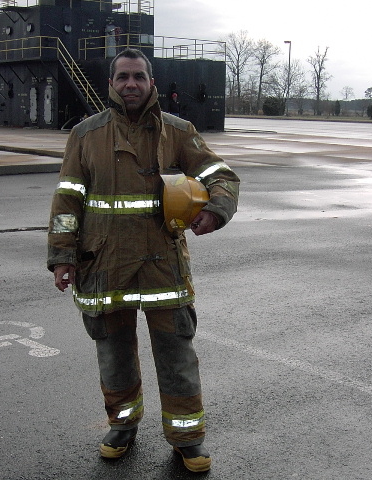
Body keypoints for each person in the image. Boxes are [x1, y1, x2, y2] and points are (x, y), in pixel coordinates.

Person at [47, 48, 239, 473]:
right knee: (113, 354)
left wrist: (215, 209)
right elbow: (67, 201)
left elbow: (221, 175)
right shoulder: (85, 135)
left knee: (176, 356)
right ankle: (122, 425)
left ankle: (188, 438)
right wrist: (62, 256)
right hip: (103, 265)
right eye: (122, 77)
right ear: (111, 84)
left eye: (138, 76)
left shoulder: (178, 132)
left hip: (162, 266)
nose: (130, 84)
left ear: (151, 83)